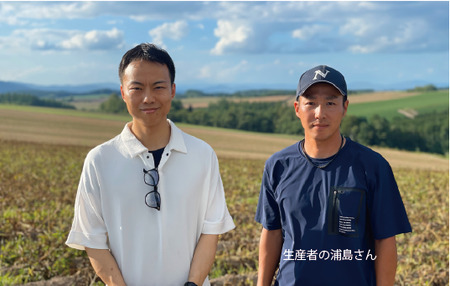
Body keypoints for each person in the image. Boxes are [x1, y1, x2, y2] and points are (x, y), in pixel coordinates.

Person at [66, 43, 235, 286]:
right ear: (123, 92)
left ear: (173, 90)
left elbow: (211, 231)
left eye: (158, 87)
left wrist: (193, 283)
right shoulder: (100, 160)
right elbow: (92, 239)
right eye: (137, 88)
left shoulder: (202, 154)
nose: (148, 98)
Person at [255, 65, 412, 286]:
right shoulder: (278, 166)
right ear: (297, 108)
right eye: (311, 103)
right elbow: (271, 232)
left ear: (344, 107)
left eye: (330, 103)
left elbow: (384, 240)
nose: (320, 113)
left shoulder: (373, 166)